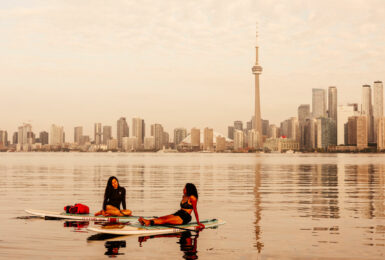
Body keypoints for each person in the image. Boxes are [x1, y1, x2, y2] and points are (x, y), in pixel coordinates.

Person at [138, 183, 205, 230]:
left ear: (188, 189)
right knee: (162, 217)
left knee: (166, 220)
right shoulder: (184, 196)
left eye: (184, 188)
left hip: (185, 217)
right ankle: (147, 221)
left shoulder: (192, 198)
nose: (183, 189)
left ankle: (148, 222)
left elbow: (195, 210)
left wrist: (198, 222)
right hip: (179, 213)